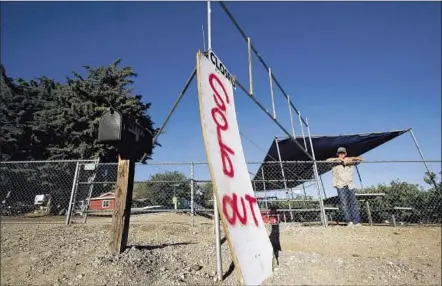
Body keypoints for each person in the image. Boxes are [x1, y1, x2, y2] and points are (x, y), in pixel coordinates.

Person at [327, 147, 364, 227]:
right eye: (340, 153)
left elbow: (361, 159)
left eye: (343, 153)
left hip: (350, 185)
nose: (341, 155)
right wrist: (340, 160)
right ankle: (349, 221)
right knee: (344, 204)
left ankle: (356, 221)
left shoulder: (351, 161)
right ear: (337, 154)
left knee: (353, 203)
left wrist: (350, 158)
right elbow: (327, 160)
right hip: (340, 185)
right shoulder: (334, 162)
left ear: (345, 154)